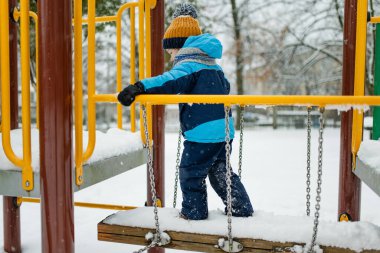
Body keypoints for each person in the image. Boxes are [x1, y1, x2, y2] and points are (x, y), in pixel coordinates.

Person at [117, 3, 253, 220]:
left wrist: (139, 87)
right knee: (221, 172)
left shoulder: (189, 65)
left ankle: (194, 212)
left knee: (190, 173)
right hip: (223, 131)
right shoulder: (214, 66)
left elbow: (169, 81)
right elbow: (225, 88)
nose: (171, 57)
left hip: (202, 135)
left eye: (171, 51)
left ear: (182, 47)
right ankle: (240, 207)